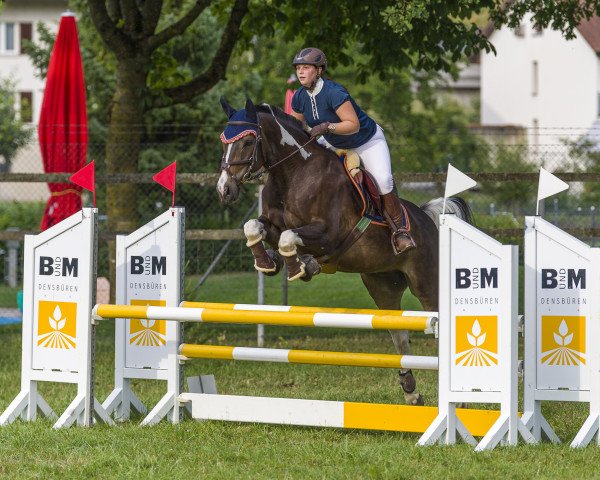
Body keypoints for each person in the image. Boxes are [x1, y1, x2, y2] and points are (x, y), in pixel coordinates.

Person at [289, 47, 415, 254]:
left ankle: (400, 231)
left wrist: (327, 127)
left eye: (306, 68)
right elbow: (295, 127)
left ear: (319, 70)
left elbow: (353, 124)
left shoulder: (334, 92)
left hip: (366, 140)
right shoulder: (299, 97)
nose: (300, 72)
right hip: (335, 142)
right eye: (298, 68)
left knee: (383, 180)